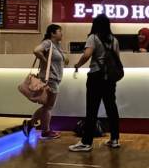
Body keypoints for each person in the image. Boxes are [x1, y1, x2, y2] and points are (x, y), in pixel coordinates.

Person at [69, 14, 121, 152]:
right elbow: (116, 58)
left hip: (96, 77)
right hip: (110, 78)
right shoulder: (114, 40)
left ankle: (86, 142)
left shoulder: (93, 37)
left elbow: (87, 55)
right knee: (111, 108)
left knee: (92, 109)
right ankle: (115, 139)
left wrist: (78, 65)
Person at [23, 23, 67, 139]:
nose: (62, 34)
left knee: (47, 106)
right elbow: (36, 50)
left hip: (54, 78)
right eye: (59, 31)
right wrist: (44, 60)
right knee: (48, 106)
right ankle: (45, 131)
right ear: (53, 33)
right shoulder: (48, 43)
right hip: (50, 79)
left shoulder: (57, 45)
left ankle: (30, 124)